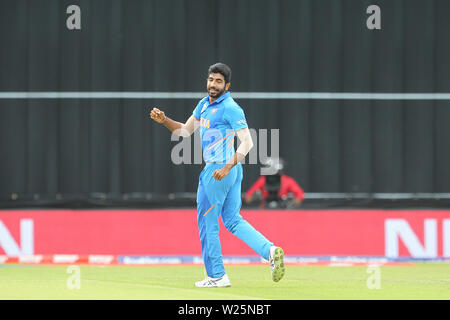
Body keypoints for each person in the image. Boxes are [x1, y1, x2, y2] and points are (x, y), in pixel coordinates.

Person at [149, 62, 285, 287]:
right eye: (211, 80)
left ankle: (216, 276)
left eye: (219, 81)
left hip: (220, 171)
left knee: (207, 223)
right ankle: (269, 250)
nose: (213, 84)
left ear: (227, 85)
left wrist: (226, 167)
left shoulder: (231, 107)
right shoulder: (203, 104)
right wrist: (164, 120)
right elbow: (184, 131)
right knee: (232, 220)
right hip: (228, 171)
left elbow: (248, 143)